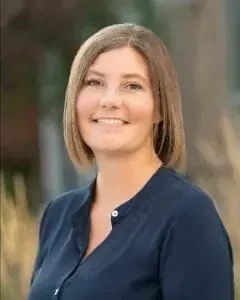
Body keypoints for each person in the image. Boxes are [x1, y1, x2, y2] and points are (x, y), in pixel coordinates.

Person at [28, 23, 234, 300]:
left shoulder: (188, 217)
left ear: (160, 108)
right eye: (95, 82)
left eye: (132, 86)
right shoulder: (58, 214)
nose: (110, 100)